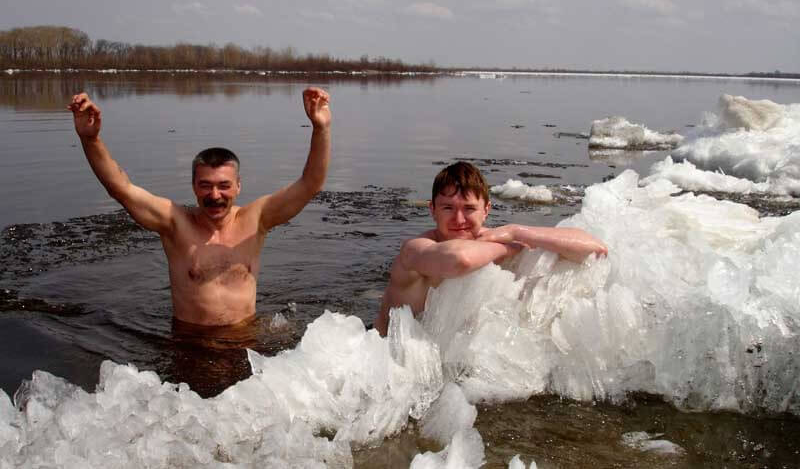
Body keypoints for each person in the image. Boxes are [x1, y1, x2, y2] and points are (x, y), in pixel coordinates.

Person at [68, 88, 331, 326]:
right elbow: (120, 188)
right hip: (191, 345)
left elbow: (310, 184)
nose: (214, 195)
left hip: (244, 341)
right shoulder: (175, 223)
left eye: (224, 185)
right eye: (205, 185)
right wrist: (91, 141)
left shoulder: (257, 218)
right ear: (193, 186)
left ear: (238, 186)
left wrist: (321, 129)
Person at [375, 161, 608, 336]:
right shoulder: (414, 250)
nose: (458, 219)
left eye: (468, 208)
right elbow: (459, 261)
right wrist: (508, 249)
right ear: (432, 210)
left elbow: (596, 250)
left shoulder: (503, 239)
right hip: (388, 362)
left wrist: (517, 232)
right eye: (447, 208)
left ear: (486, 210)